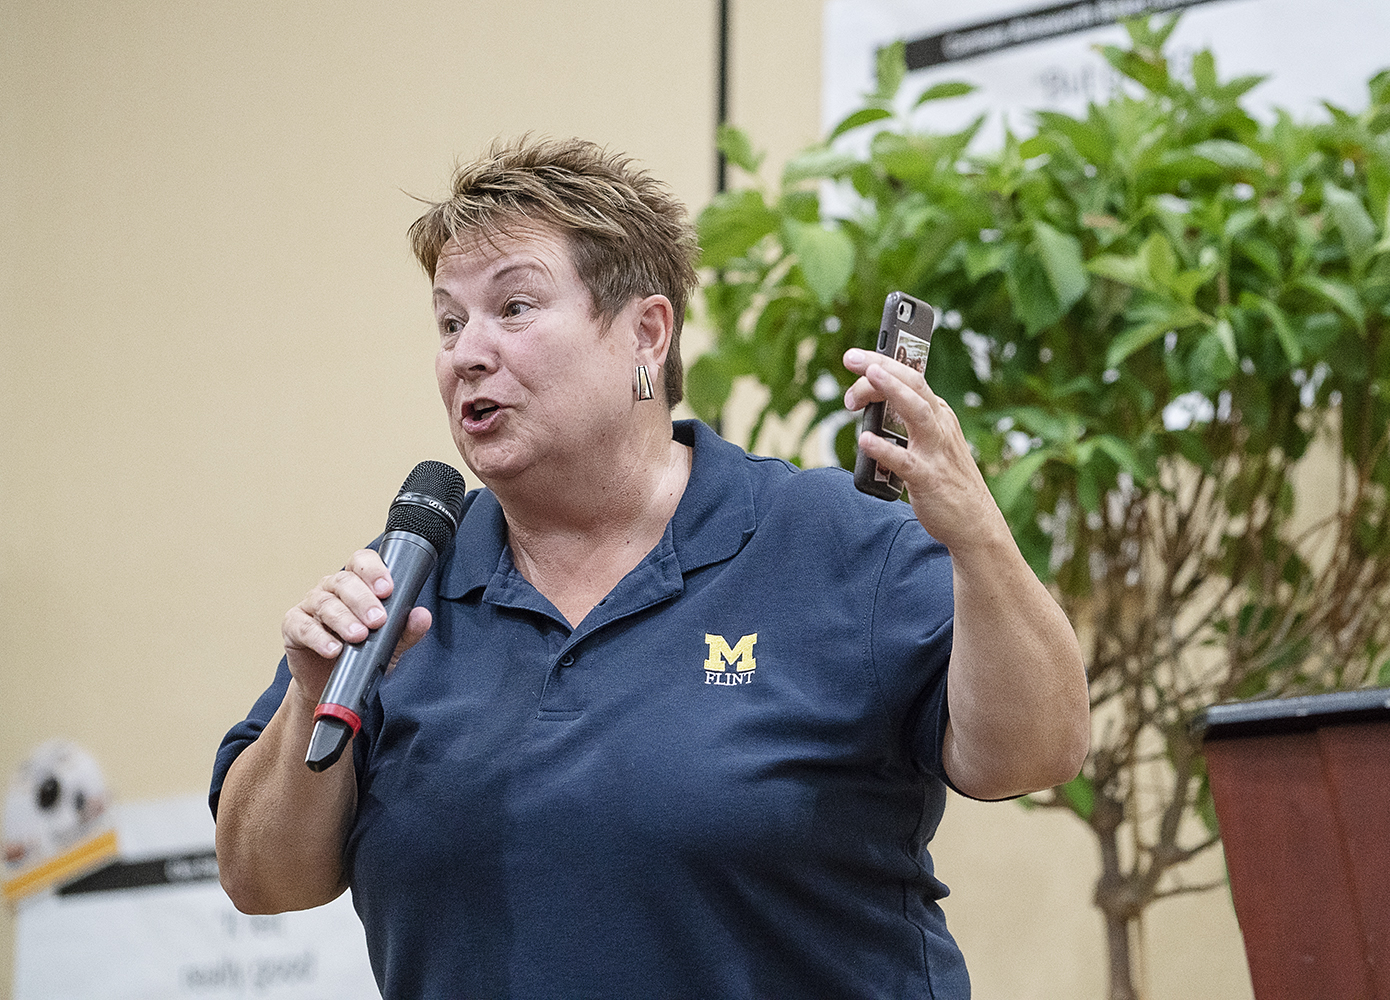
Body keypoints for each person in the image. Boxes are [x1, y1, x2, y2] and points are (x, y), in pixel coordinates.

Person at [211, 136, 1089, 999]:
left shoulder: (832, 542)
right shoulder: (404, 589)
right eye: (449, 321)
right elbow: (262, 880)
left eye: (513, 308)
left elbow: (1034, 753)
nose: (466, 352)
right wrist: (311, 700)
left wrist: (977, 536)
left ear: (646, 332)